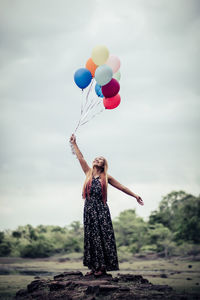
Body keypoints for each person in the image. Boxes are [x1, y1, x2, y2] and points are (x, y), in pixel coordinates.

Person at [69, 133, 144, 276]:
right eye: (97, 158)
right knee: (91, 237)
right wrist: (74, 143)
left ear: (104, 164)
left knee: (102, 237)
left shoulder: (106, 177)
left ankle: (102, 267)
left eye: (101, 159)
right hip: (89, 210)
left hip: (101, 210)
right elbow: (80, 158)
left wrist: (135, 195)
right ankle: (93, 267)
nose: (98, 160)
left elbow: (121, 187)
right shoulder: (88, 173)